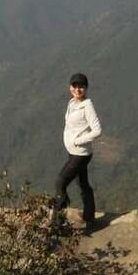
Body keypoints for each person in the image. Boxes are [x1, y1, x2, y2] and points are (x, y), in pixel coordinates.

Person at [53, 72, 102, 233]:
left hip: (80, 153)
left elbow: (97, 130)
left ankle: (57, 224)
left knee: (60, 182)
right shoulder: (72, 103)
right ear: (70, 88)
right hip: (74, 152)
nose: (78, 89)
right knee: (83, 184)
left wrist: (78, 141)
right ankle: (90, 218)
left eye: (81, 86)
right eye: (75, 85)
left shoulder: (87, 106)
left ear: (86, 88)